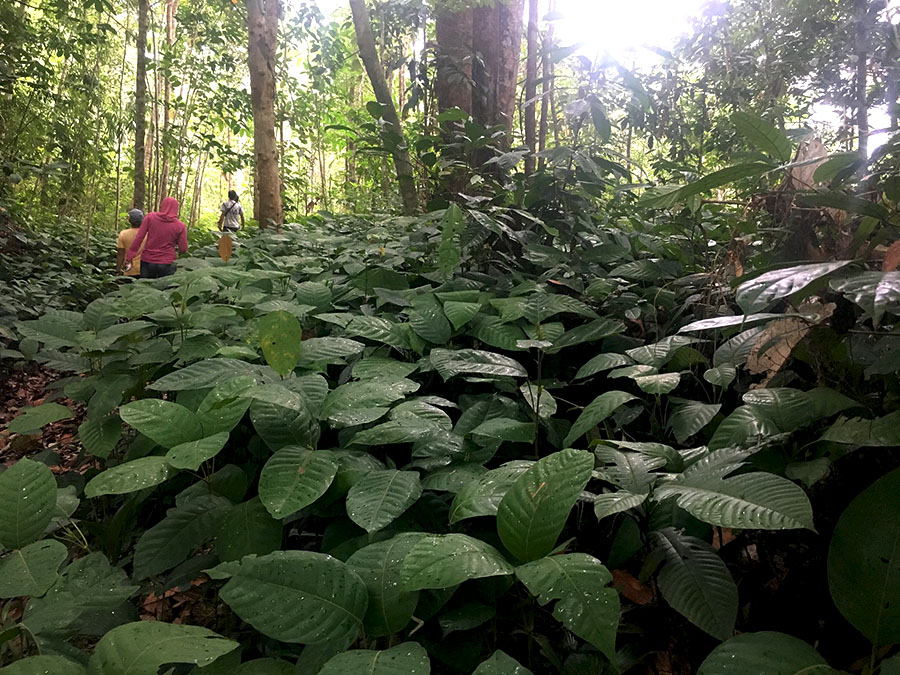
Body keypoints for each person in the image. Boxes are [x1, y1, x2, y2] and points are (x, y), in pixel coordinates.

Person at [125, 196, 188, 278]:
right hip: (168, 262)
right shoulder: (180, 226)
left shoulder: (150, 217)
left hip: (147, 261)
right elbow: (183, 249)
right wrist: (181, 262)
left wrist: (129, 257)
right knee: (165, 286)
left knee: (145, 285)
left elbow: (139, 238)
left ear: (162, 206)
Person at [116, 209, 144, 276]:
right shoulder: (148, 233)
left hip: (129, 269)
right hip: (145, 269)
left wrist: (118, 270)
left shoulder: (123, 234)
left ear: (130, 221)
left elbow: (120, 253)